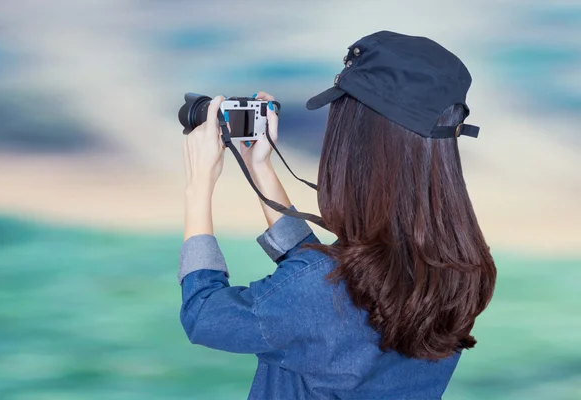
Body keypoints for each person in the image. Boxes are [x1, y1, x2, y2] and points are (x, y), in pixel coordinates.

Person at [179, 30, 497, 400]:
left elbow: (204, 314)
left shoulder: (320, 292)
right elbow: (329, 289)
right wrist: (260, 168)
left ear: (358, 146)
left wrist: (198, 187)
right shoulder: (459, 273)